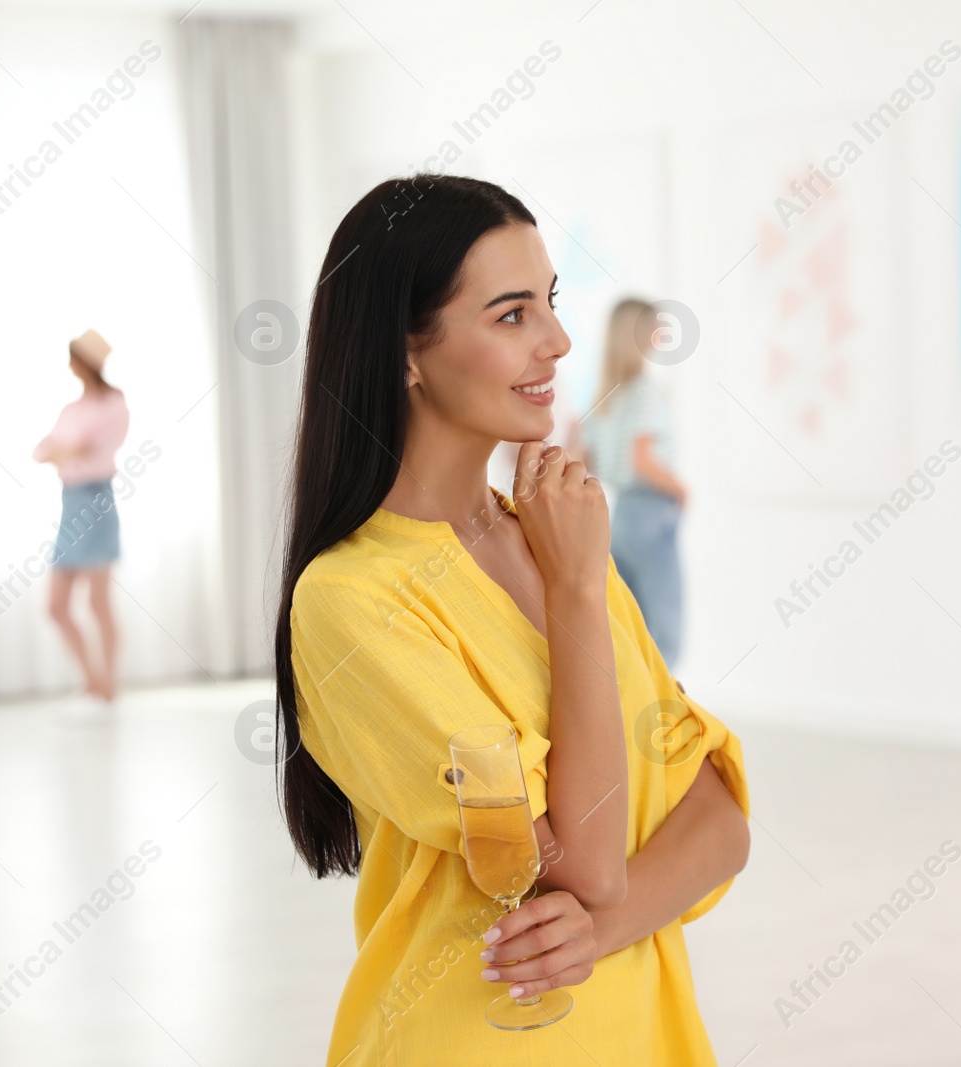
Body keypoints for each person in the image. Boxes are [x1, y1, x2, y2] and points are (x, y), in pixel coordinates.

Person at [274, 175, 752, 1064]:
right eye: (510, 315)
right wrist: (573, 597)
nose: (559, 341)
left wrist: (601, 931)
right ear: (406, 352)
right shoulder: (350, 601)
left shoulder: (555, 535)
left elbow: (721, 820)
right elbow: (583, 864)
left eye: (551, 303)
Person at [578, 298, 690, 669]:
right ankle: (666, 708)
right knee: (665, 624)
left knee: (628, 622)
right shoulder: (645, 391)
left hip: (621, 516)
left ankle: (632, 705)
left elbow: (583, 458)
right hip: (650, 510)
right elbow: (642, 458)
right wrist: (680, 489)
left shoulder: (602, 398)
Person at [32, 329, 129, 716]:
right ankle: (94, 683)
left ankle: (107, 688)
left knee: (97, 601)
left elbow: (93, 448)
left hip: (96, 500)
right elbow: (41, 451)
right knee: (56, 606)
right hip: (69, 503)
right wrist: (68, 449)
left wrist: (65, 449)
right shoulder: (71, 410)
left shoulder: (114, 403)